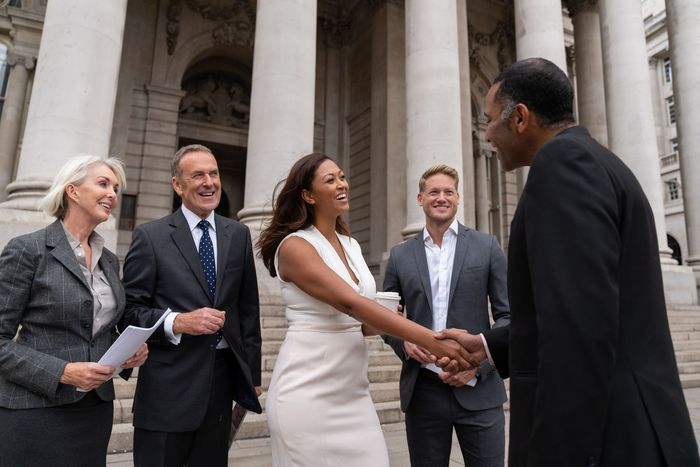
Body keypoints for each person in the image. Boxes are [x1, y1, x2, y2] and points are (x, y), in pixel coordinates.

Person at [438, 58, 700, 466]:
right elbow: (586, 306)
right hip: (631, 427)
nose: (486, 132)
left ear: (521, 117)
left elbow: (579, 333)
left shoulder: (562, 167)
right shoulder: (598, 161)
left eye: (490, 120)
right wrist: (490, 346)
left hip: (611, 437)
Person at [257, 153, 472, 467]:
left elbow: (365, 323)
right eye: (330, 180)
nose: (342, 184)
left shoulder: (351, 245)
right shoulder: (294, 246)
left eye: (342, 176)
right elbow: (351, 304)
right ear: (308, 195)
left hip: (353, 393)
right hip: (306, 391)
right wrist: (434, 340)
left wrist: (393, 322)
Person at [0, 155, 149, 467]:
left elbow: (99, 330)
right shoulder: (28, 249)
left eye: (116, 188)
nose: (113, 194)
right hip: (36, 409)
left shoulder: (109, 259)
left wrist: (128, 353)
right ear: (73, 191)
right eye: (103, 184)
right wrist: (62, 372)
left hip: (94, 411)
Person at [122, 144, 262, 467]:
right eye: (197, 175)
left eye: (214, 173)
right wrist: (178, 322)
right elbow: (130, 311)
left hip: (220, 384)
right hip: (167, 389)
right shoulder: (151, 236)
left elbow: (248, 311)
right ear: (177, 185)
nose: (209, 182)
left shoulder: (238, 235)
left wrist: (251, 373)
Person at [383, 164, 510, 467]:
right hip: (423, 392)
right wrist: (402, 341)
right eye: (434, 192)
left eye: (448, 192)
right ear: (420, 199)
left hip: (479, 389)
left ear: (457, 198)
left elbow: (508, 316)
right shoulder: (400, 255)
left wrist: (479, 363)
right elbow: (386, 317)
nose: (441, 198)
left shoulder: (487, 246)